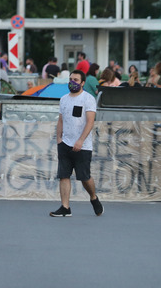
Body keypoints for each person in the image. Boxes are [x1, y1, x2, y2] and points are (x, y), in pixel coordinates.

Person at [50, 70, 103, 217]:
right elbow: (61, 120)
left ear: (82, 83)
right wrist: (59, 138)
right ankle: (65, 207)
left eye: (76, 79)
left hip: (83, 146)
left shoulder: (88, 99)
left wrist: (80, 140)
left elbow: (90, 122)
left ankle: (93, 197)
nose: (72, 82)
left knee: (84, 177)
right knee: (64, 175)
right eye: (71, 79)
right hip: (65, 143)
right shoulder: (64, 99)